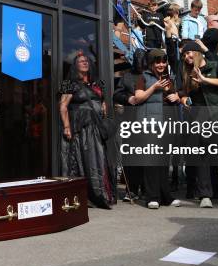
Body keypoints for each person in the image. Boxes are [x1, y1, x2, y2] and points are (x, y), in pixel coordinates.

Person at [178, 41, 218, 209]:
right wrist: (184, 99)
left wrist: (204, 79)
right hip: (200, 118)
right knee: (203, 158)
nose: (186, 57)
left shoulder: (216, 66)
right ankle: (205, 195)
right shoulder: (187, 73)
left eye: (189, 53)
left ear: (198, 53)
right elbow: (182, 92)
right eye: (184, 55)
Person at [59, 54, 114, 209]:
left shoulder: (98, 83)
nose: (84, 63)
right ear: (75, 66)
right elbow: (63, 106)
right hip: (82, 129)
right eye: (80, 61)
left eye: (86, 61)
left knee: (99, 160)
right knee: (85, 161)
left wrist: (103, 109)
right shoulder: (69, 83)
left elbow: (103, 102)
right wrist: (67, 126)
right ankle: (88, 195)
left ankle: (103, 194)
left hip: (97, 128)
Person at [132, 49, 182, 209]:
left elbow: (175, 97)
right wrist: (154, 87)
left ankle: (165, 196)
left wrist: (177, 97)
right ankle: (152, 197)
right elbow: (138, 98)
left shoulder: (168, 78)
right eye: (157, 62)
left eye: (163, 61)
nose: (161, 65)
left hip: (166, 123)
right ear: (151, 63)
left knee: (163, 162)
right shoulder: (143, 77)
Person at [113, 49, 147, 202]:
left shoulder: (151, 74)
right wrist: (128, 98)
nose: (140, 64)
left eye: (142, 61)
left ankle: (147, 189)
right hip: (131, 120)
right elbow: (117, 95)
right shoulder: (126, 76)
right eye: (137, 60)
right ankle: (131, 189)